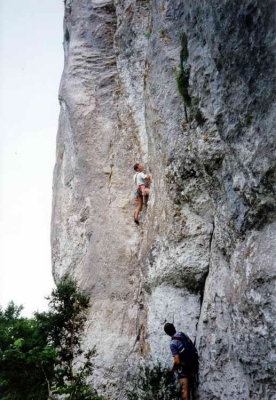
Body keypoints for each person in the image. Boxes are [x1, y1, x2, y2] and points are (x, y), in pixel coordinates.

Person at [164, 323, 199, 400]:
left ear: (166, 333)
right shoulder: (182, 334)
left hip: (185, 368)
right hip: (193, 364)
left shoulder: (172, 343)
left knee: (184, 392)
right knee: (193, 390)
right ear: (174, 327)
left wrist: (173, 369)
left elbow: (177, 361)